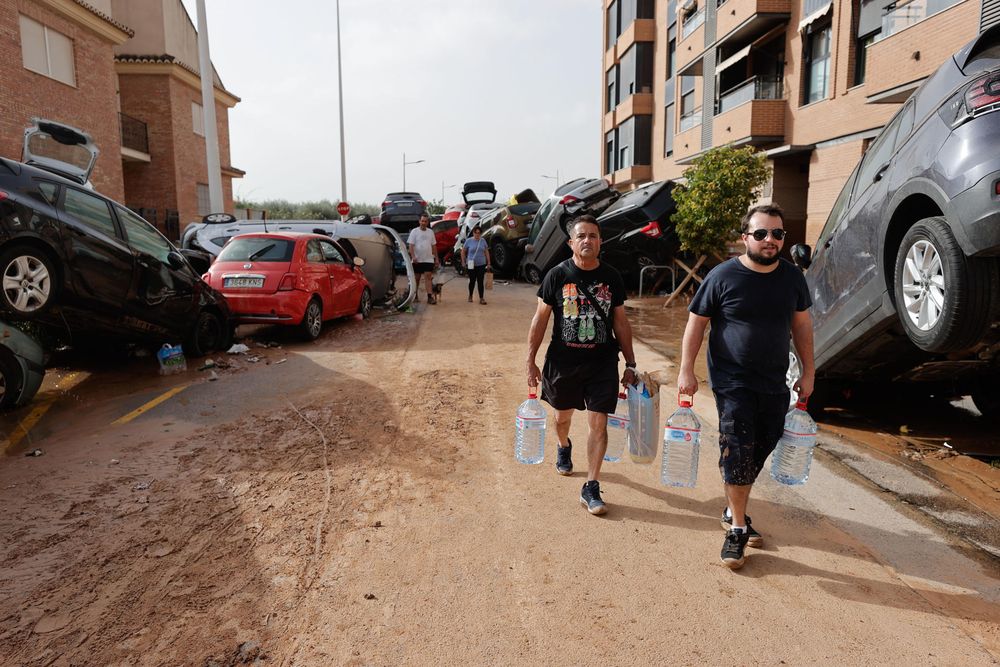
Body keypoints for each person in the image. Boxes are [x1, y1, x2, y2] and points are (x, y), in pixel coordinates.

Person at [676, 203, 814, 570]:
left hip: (775, 381)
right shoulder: (722, 276)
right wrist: (686, 370)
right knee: (738, 449)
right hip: (731, 381)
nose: (770, 240)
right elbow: (696, 324)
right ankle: (737, 527)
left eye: (777, 234)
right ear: (745, 237)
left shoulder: (792, 278)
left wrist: (809, 372)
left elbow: (802, 326)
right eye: (761, 233)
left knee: (762, 445)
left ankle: (731, 504)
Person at [526, 215, 638, 515]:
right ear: (571, 243)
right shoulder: (556, 275)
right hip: (563, 362)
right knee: (561, 419)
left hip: (602, 363)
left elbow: (621, 322)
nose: (587, 240)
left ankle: (591, 485)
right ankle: (564, 446)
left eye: (593, 236)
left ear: (600, 242)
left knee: (599, 423)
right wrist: (530, 361)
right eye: (581, 236)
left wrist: (631, 363)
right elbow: (540, 319)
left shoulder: (612, 277)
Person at [408, 214, 439, 304]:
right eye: (422, 221)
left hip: (428, 259)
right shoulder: (414, 232)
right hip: (417, 259)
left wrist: (436, 259)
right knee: (416, 278)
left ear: (428, 222)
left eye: (425, 221)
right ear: (419, 221)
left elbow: (434, 246)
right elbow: (411, 245)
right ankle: (415, 295)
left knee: (428, 277)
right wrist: (413, 257)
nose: (424, 223)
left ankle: (429, 297)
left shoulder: (430, 232)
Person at [461, 226, 491, 304]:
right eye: (476, 233)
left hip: (481, 264)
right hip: (471, 264)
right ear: (473, 233)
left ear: (480, 233)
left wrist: (488, 262)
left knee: (480, 281)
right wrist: (463, 262)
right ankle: (470, 295)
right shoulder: (469, 241)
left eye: (479, 233)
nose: (477, 234)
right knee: (472, 281)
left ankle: (481, 298)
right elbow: (463, 251)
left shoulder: (483, 241)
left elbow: (486, 252)